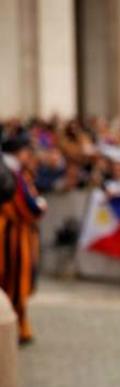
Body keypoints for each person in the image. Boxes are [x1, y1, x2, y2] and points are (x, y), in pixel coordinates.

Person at [0, 136, 46, 344]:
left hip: (14, 233)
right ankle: (17, 328)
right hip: (11, 236)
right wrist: (38, 206)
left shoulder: (16, 172)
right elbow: (25, 205)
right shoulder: (12, 173)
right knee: (14, 283)